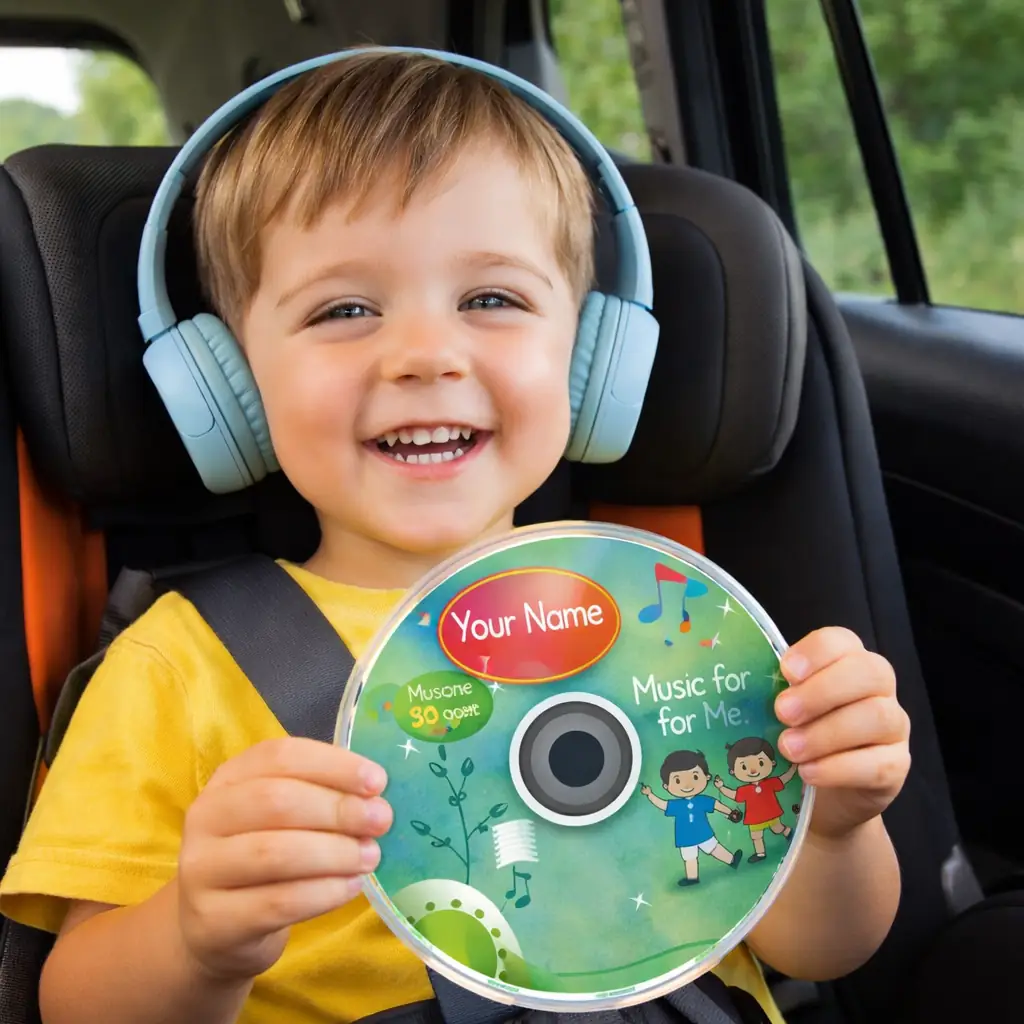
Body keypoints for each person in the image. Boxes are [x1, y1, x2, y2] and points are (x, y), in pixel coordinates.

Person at [0, 48, 912, 1024]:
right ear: (229, 387)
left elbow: (818, 944)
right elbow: (75, 1005)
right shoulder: (177, 668)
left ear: (591, 360)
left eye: (491, 299)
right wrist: (195, 935)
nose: (425, 354)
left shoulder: (680, 632)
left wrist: (835, 825)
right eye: (343, 309)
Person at [642, 750, 742, 885]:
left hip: (704, 833)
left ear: (706, 777)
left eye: (695, 777)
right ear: (666, 786)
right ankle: (692, 878)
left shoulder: (702, 800)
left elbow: (716, 805)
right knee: (689, 858)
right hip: (686, 838)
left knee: (714, 849)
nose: (687, 785)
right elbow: (662, 805)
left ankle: (732, 860)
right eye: (678, 780)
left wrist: (730, 812)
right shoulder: (676, 805)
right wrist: (650, 795)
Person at [715, 737, 799, 863]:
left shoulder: (770, 783)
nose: (753, 770)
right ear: (733, 771)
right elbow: (733, 795)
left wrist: (793, 769)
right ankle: (760, 853)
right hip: (755, 818)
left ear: (772, 763)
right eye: (744, 767)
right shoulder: (745, 790)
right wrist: (721, 788)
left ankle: (788, 832)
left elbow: (784, 778)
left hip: (771, 813)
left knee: (777, 828)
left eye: (760, 763)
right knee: (756, 836)